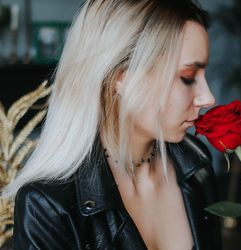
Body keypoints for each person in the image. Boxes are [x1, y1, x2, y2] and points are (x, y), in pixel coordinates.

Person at [1, 0, 222, 249]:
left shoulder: (195, 162)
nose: (208, 98)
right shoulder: (48, 206)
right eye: (188, 77)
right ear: (123, 80)